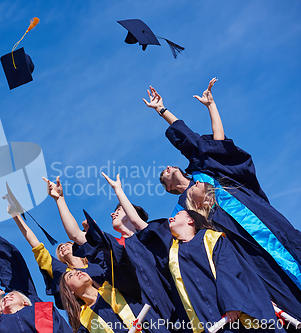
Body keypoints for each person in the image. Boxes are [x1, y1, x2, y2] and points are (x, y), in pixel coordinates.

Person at [143, 79, 301, 320]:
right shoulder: (183, 209)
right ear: (170, 188)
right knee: (272, 279)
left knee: (291, 248)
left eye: (168, 166)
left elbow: (216, 144)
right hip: (237, 241)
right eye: (163, 175)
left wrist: (201, 107)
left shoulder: (204, 171)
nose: (166, 168)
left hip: (259, 217)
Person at [165, 210, 283, 333]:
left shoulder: (211, 238)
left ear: (191, 220)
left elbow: (227, 269)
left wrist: (232, 304)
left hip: (232, 315)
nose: (171, 218)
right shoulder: (174, 253)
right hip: (203, 321)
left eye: (177, 215)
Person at [59, 212, 173, 333]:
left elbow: (112, 257)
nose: (76, 273)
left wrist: (97, 236)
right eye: (71, 275)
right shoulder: (84, 322)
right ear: (69, 291)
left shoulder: (114, 286)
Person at [8, 204, 105, 309]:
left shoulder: (95, 261)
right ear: (61, 258)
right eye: (60, 249)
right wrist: (16, 217)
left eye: (67, 244)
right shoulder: (61, 271)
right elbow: (35, 244)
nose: (62, 247)